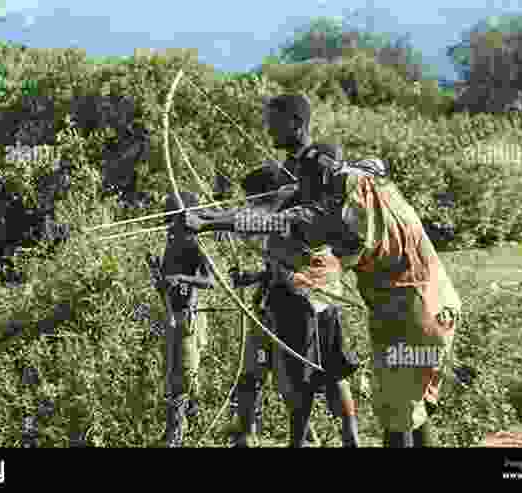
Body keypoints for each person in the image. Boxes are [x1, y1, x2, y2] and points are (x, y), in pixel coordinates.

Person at [184, 93, 462, 447]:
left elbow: (273, 220)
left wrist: (208, 221)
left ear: (322, 184)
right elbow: (343, 172)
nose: (305, 193)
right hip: (440, 303)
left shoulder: (330, 214)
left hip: (409, 314)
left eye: (309, 187)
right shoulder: (365, 179)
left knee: (396, 418)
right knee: (412, 408)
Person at [226, 162, 359, 447]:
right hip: (286, 306)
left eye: (253, 199)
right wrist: (255, 275)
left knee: (316, 377)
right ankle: (247, 434)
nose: (249, 205)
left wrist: (234, 225)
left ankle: (334, 439)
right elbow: (281, 265)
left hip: (302, 311)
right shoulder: (294, 216)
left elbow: (295, 267)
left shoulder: (297, 218)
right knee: (256, 371)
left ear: (267, 197)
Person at [155, 190, 215, 447]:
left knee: (185, 377)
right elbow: (165, 284)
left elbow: (210, 281)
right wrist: (161, 279)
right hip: (173, 315)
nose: (168, 226)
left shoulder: (193, 243)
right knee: (174, 376)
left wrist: (182, 279)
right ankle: (182, 428)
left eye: (172, 219)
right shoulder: (171, 243)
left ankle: (179, 434)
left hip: (189, 318)